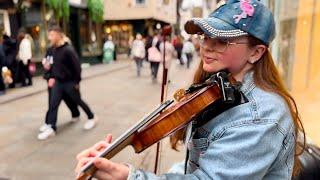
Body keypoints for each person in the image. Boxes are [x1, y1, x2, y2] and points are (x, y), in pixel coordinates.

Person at [75, 0, 305, 179]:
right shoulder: (220, 86)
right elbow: (197, 165)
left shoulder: (260, 117)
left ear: (256, 53)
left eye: (222, 40)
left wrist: (127, 176)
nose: (207, 46)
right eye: (206, 36)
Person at [38, 26, 97, 140]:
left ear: (59, 35)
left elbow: (77, 68)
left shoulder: (68, 50)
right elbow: (54, 66)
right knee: (53, 104)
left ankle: (92, 117)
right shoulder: (54, 50)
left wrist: (76, 82)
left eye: (52, 35)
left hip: (69, 82)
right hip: (58, 82)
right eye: (49, 35)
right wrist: (50, 75)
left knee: (78, 100)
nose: (50, 37)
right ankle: (51, 127)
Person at [39, 39, 81, 133]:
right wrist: (48, 76)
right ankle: (49, 123)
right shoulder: (51, 50)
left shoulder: (66, 50)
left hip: (64, 82)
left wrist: (76, 82)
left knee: (70, 100)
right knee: (52, 103)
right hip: (55, 82)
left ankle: (77, 114)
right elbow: (48, 63)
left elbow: (71, 68)